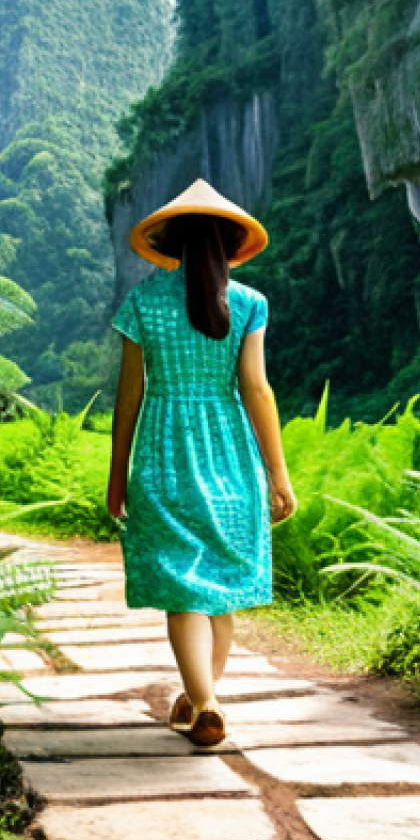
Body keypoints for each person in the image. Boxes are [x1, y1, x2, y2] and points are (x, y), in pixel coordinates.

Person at [105, 177, 298, 748]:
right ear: (228, 246)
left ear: (177, 245)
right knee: (215, 587)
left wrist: (117, 478)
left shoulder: (142, 302)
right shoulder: (249, 305)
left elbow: (128, 399)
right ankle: (200, 697)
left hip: (164, 454)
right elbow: (257, 391)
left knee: (183, 586)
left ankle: (204, 699)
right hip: (231, 458)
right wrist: (277, 475)